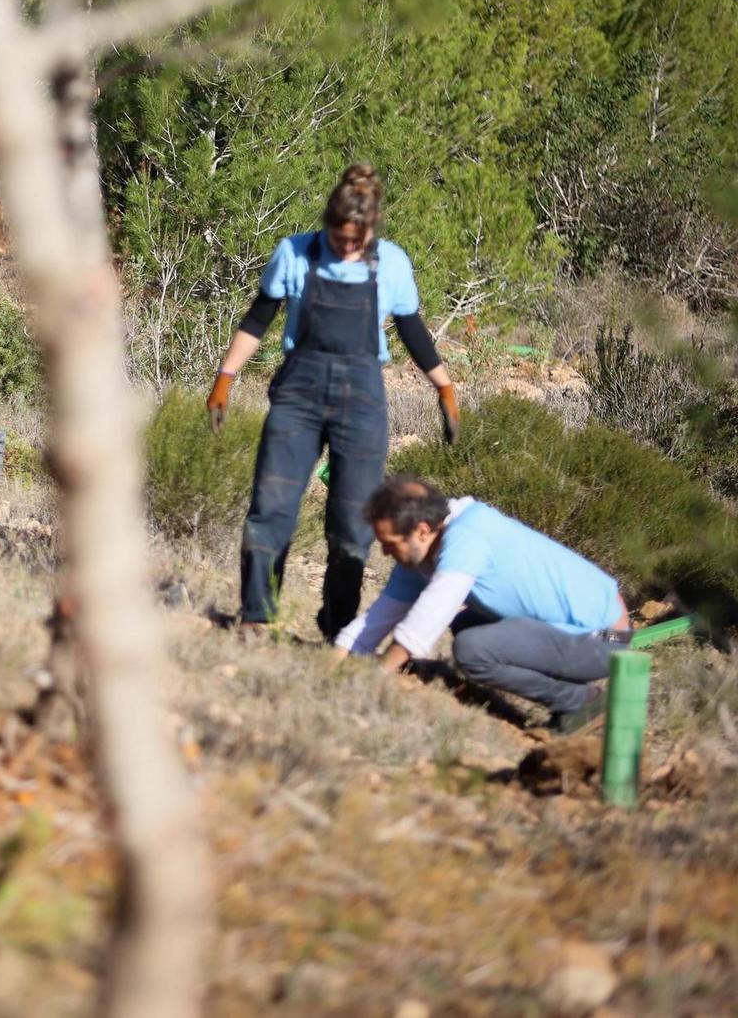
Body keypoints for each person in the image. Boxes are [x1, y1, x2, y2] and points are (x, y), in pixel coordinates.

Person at [207, 164, 459, 640]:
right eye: (339, 238)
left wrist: (443, 387)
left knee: (352, 522)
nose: (347, 247)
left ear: (372, 229)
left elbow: (412, 332)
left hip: (361, 401)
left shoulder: (394, 264)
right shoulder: (295, 253)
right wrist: (225, 377)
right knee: (271, 507)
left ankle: (338, 630)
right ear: (326, 224)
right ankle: (257, 616)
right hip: (297, 395)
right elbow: (259, 319)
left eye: (356, 240)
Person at [336, 476, 631, 733]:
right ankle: (577, 697)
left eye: (389, 542)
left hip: (605, 640)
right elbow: (381, 615)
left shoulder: (467, 535)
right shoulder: (421, 554)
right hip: (579, 633)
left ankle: (583, 703)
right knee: (467, 624)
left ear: (422, 531)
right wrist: (336, 660)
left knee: (473, 649)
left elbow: (427, 619)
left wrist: (379, 673)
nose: (385, 552)